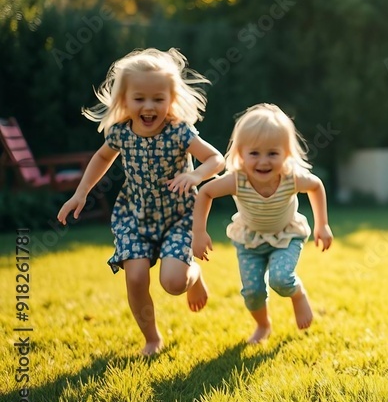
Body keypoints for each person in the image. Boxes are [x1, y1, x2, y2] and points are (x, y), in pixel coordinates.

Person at [57, 47, 225, 356]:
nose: (149, 106)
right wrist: (80, 193)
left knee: (173, 283)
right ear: (124, 99)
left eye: (158, 99)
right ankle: (152, 338)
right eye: (140, 99)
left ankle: (194, 275)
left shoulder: (179, 132)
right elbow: (101, 158)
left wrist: (195, 176)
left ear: (170, 100)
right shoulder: (120, 133)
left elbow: (216, 159)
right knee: (135, 276)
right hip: (135, 218)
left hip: (178, 218)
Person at [192, 103, 333, 344]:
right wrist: (199, 233)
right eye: (254, 153)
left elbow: (316, 186)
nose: (263, 161)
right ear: (240, 154)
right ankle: (263, 325)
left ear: (286, 154)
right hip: (249, 240)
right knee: (252, 293)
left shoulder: (291, 178)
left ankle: (298, 294)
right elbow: (205, 193)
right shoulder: (237, 180)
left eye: (272, 153)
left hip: (286, 236)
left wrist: (322, 225)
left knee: (281, 279)